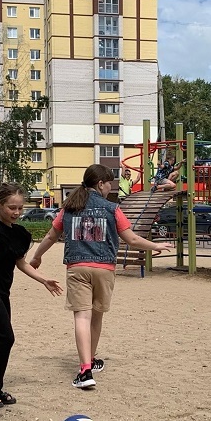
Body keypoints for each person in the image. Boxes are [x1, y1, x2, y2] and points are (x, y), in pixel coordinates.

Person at [29, 164, 173, 390]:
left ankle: (85, 369)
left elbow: (50, 236)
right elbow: (132, 239)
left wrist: (37, 257)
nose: (110, 188)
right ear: (100, 184)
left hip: (78, 267)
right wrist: (155, 245)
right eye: (109, 184)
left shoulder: (69, 208)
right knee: (96, 317)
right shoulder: (112, 209)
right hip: (104, 268)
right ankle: (91, 360)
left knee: (81, 317)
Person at [0, 183, 62, 410]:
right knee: (5, 338)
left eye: (20, 208)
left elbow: (21, 263)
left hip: (3, 292)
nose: (17, 212)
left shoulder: (17, 233)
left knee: (1, 340)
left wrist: (43, 280)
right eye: (12, 207)